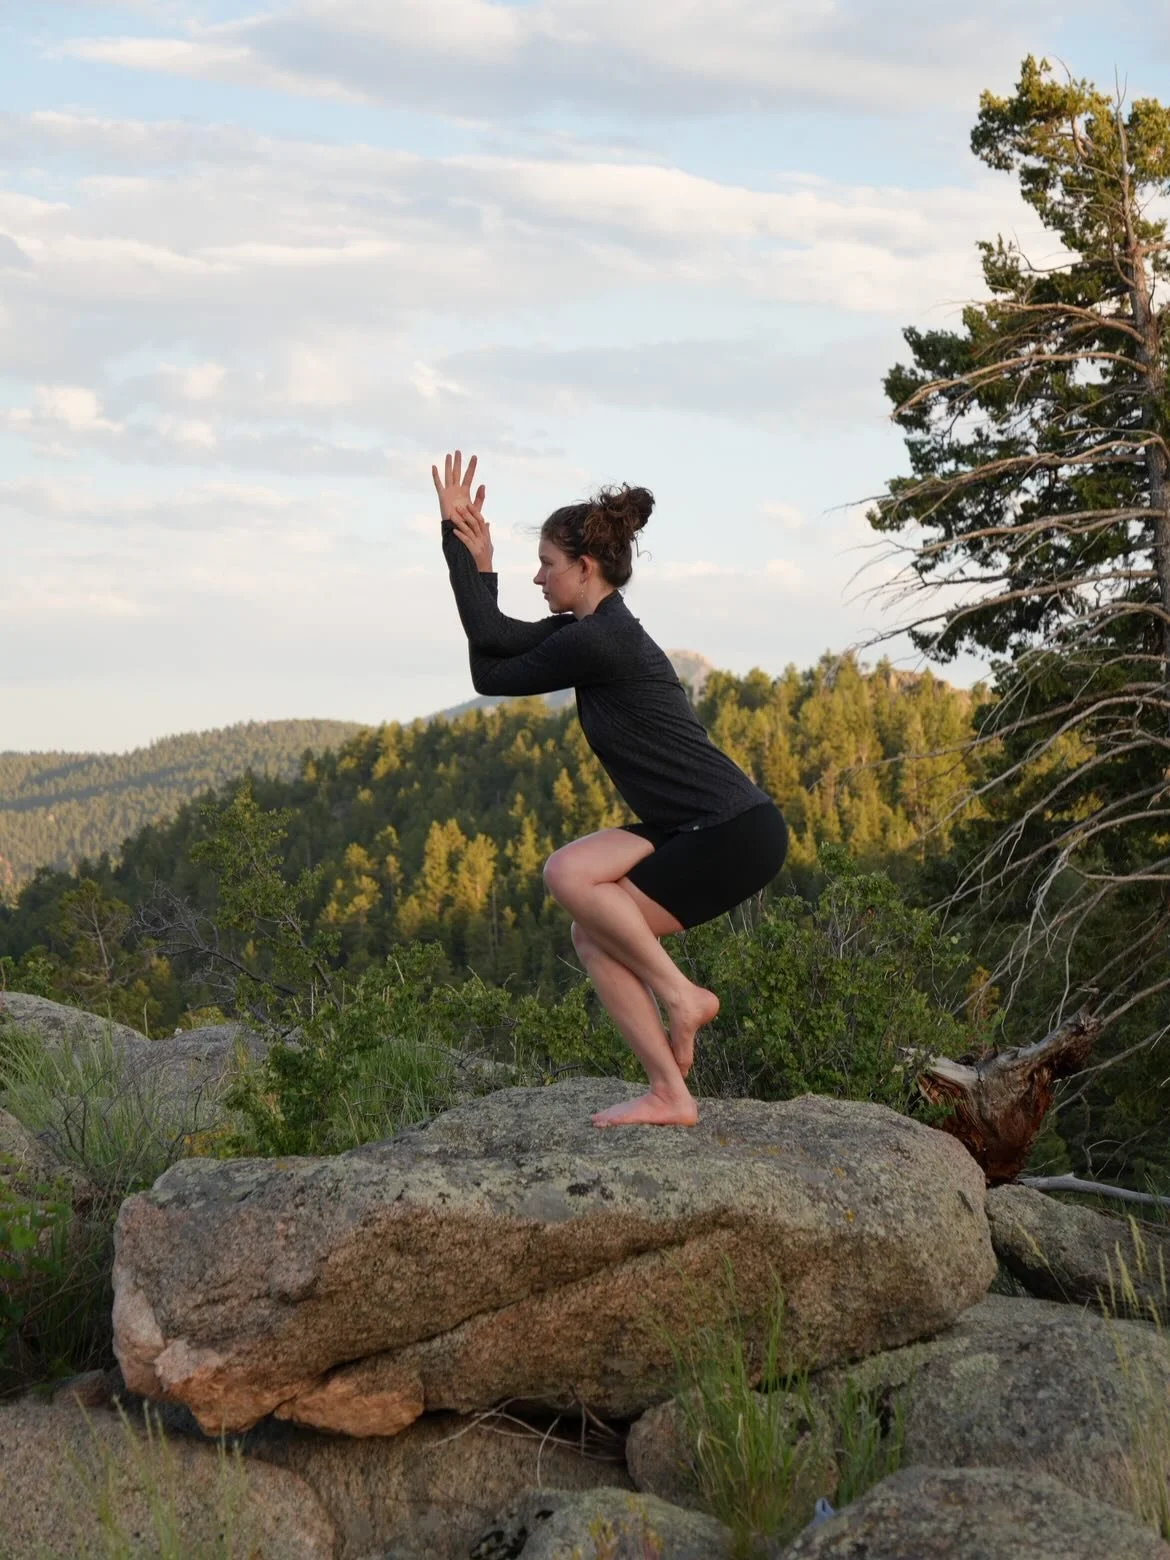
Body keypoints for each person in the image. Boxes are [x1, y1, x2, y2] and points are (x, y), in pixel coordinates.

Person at [432, 449, 787, 1128]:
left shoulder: (601, 642)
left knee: (571, 879)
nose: (538, 577)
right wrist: (476, 563)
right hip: (695, 822)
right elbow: (492, 657)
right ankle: (670, 1095)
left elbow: (487, 642)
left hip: (733, 829)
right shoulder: (591, 633)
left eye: (546, 564)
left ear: (584, 567)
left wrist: (459, 545)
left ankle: (682, 997)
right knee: (587, 919)